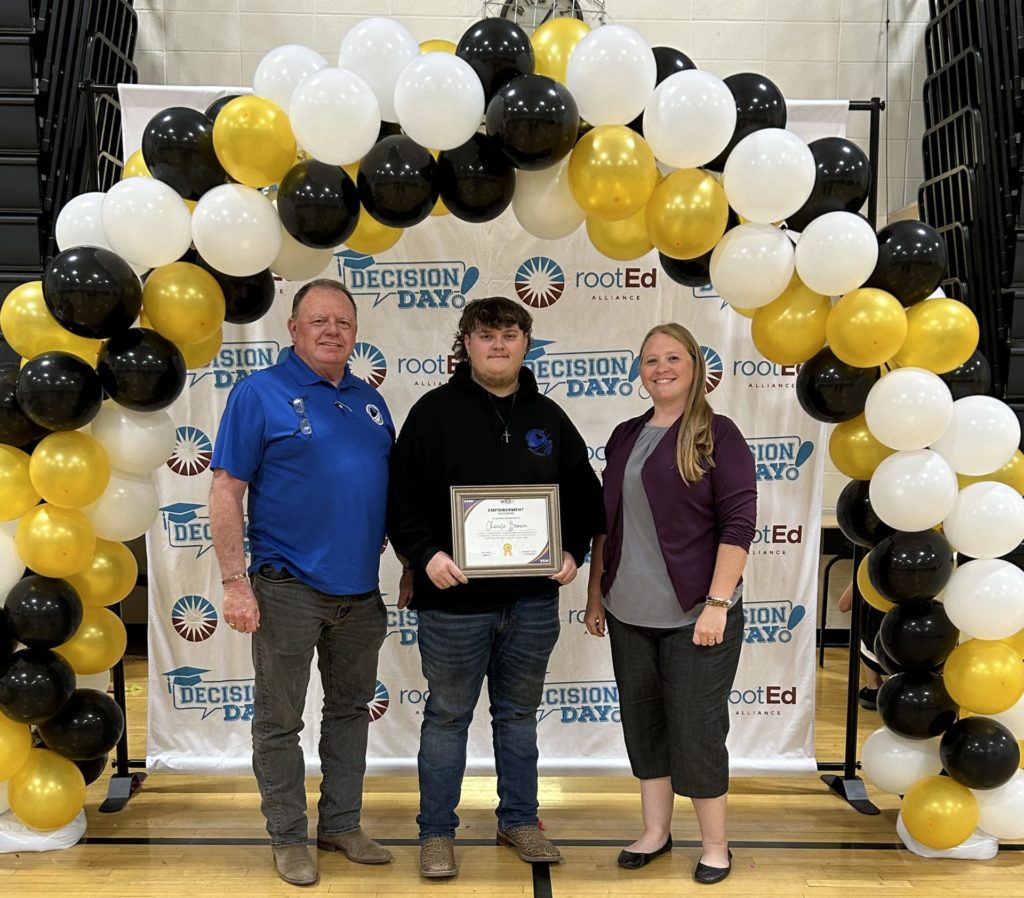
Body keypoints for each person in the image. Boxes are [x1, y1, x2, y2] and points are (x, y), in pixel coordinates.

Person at [387, 296, 603, 879]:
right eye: (486, 335)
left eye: (510, 334)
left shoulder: (549, 418)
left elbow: (583, 496)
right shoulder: (432, 412)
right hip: (451, 603)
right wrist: (426, 554)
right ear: (467, 345)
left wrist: (571, 551)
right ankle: (436, 832)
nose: (499, 345)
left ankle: (520, 820)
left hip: (531, 603)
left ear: (526, 343)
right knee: (447, 717)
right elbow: (400, 496)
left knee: (517, 717)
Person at [209, 279, 395, 887]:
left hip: (361, 594)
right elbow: (226, 491)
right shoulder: (258, 393)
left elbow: (384, 493)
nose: (332, 331)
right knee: (279, 721)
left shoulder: (371, 403)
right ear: (293, 330)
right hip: (285, 588)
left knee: (348, 715)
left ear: (355, 333)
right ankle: (288, 836)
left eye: (343, 322)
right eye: (319, 321)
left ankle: (340, 824)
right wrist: (235, 583)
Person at [584, 323, 757, 886]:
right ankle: (656, 833)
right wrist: (595, 596)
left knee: (697, 732)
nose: (661, 367)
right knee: (644, 726)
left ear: (696, 367)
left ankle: (715, 845)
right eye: (651, 359)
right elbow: (607, 526)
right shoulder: (626, 434)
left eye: (673, 357)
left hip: (695, 617)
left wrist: (716, 603)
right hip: (628, 612)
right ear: (640, 370)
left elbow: (738, 525)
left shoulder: (718, 435)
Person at [837, 580, 886, 709]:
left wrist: (857, 577)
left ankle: (873, 685)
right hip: (917, 653)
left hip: (875, 654)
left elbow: (843, 606)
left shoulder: (868, 568)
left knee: (862, 620)